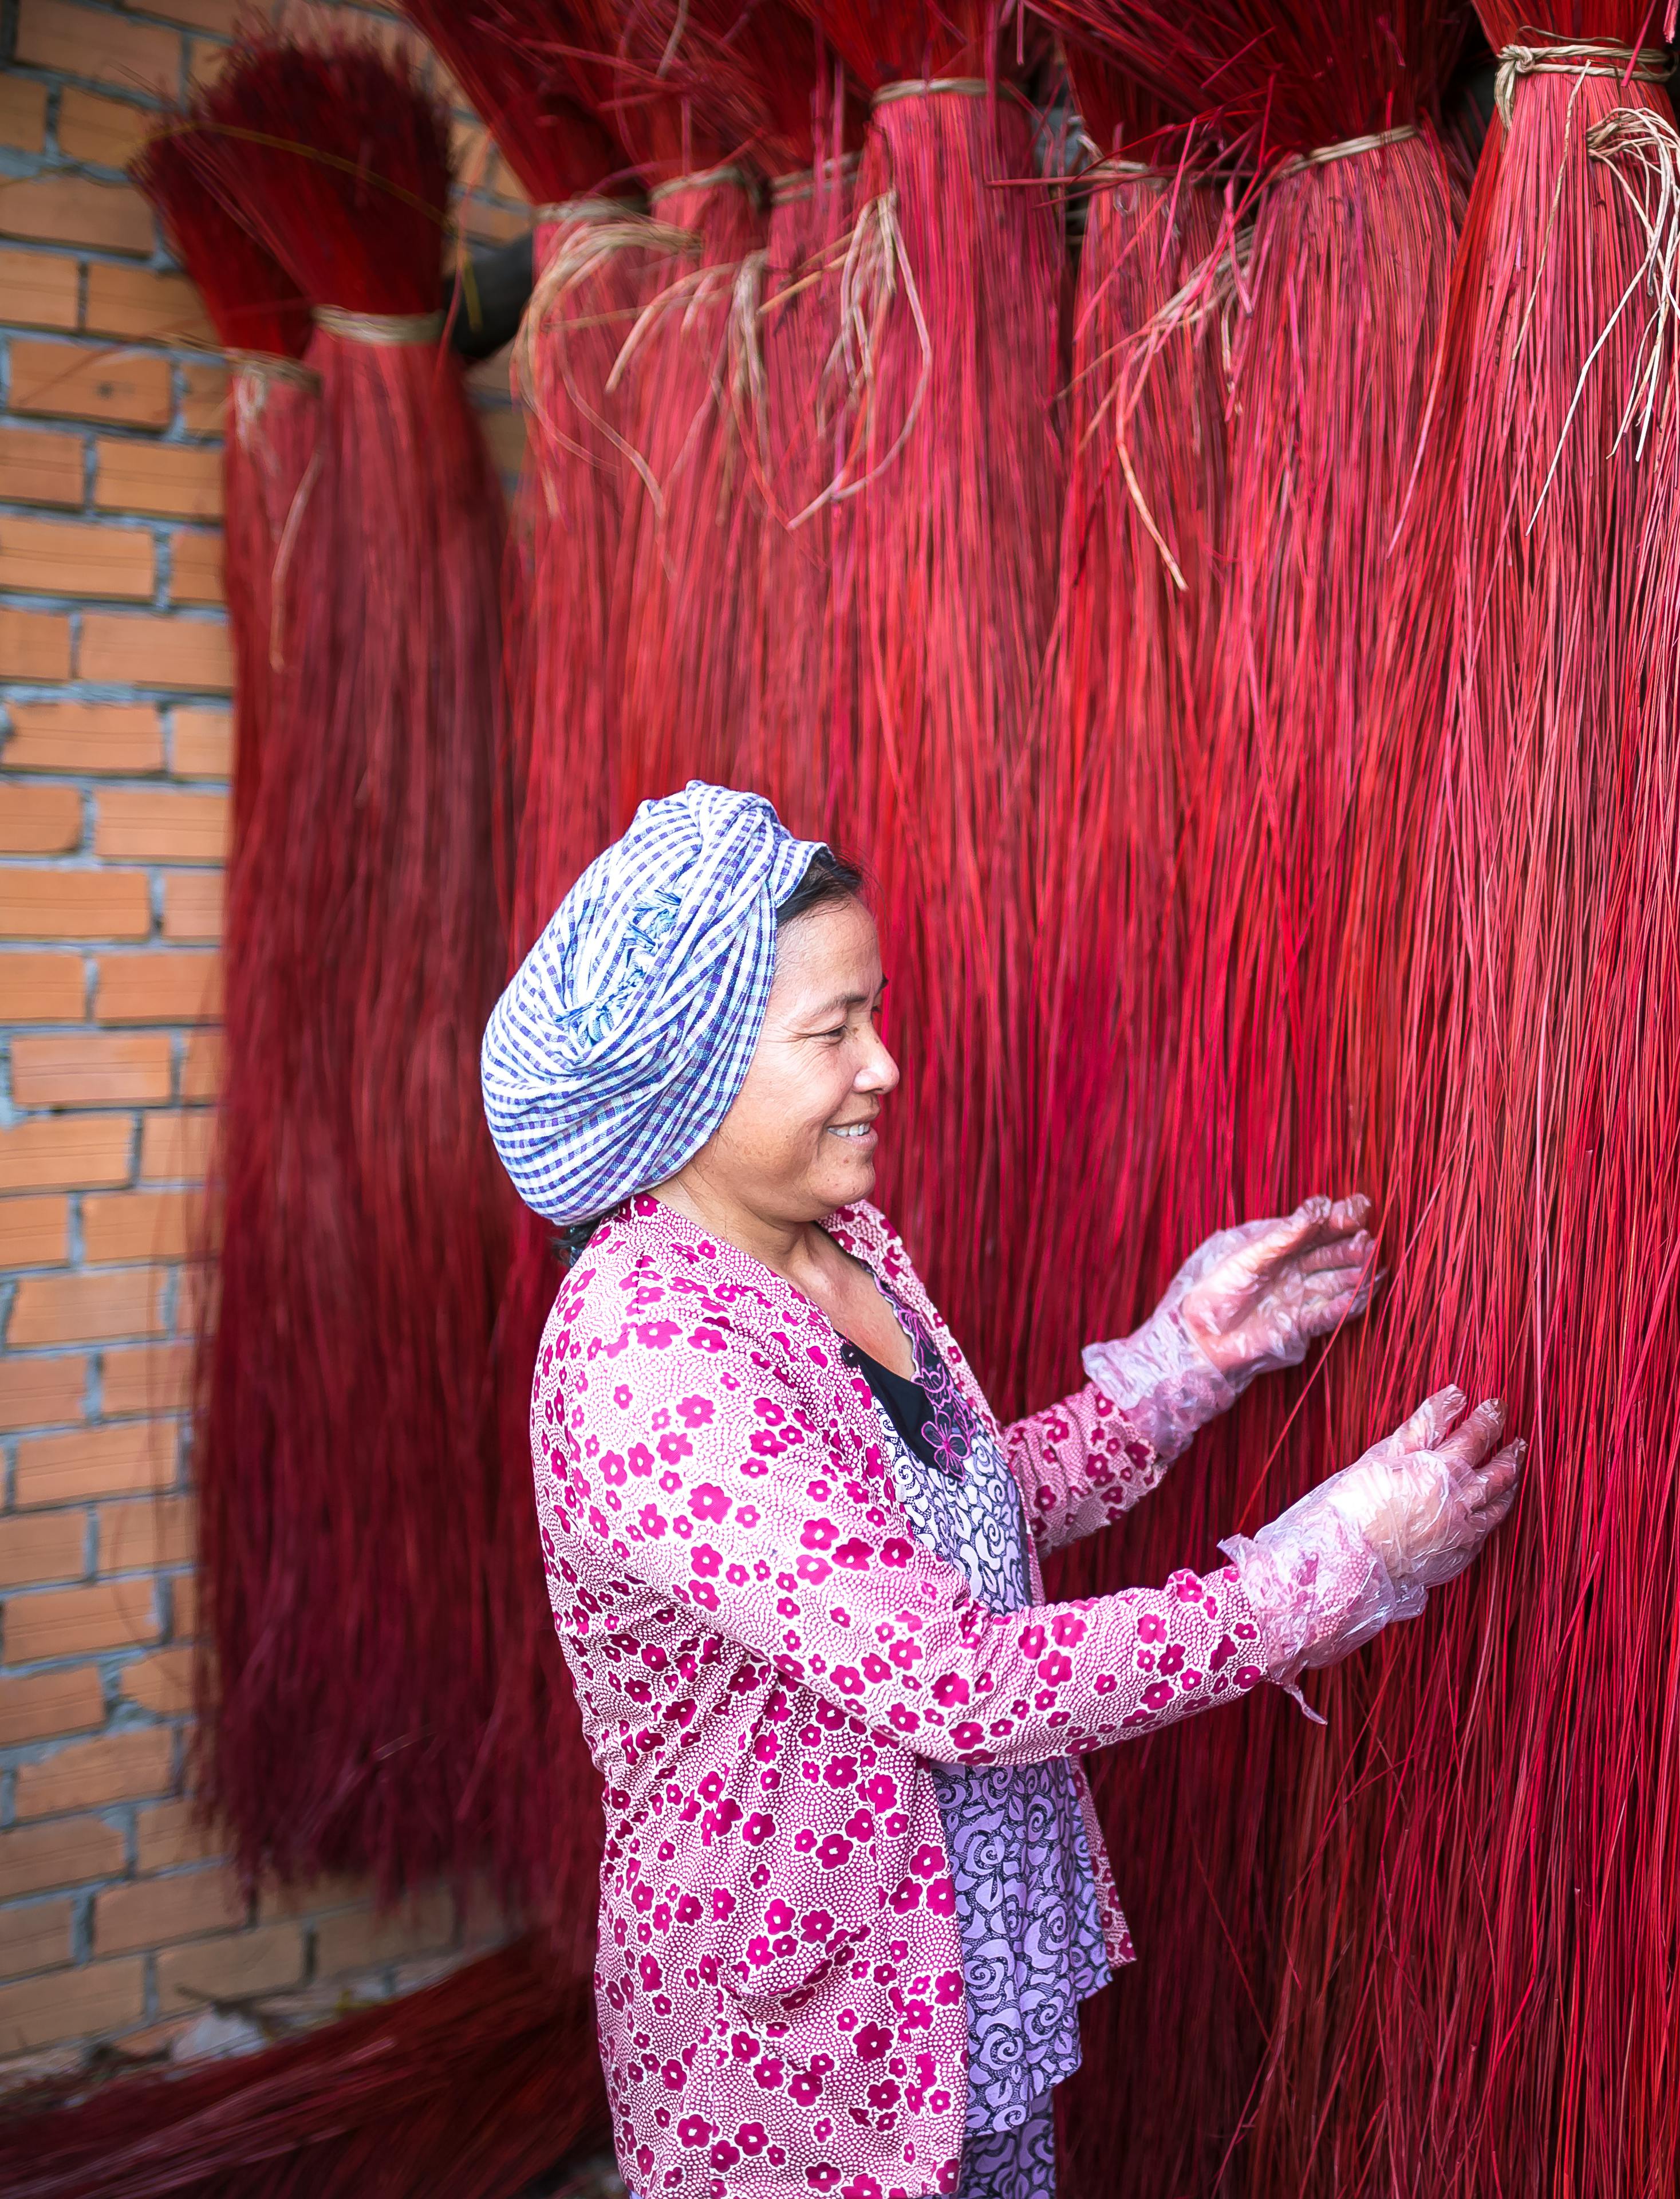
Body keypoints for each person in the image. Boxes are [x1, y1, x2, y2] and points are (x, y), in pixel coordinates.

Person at [482, 784, 1521, 2199]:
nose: (885, 1068)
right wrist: (1323, 1569)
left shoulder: (839, 1244)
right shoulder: (651, 1355)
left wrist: (1186, 1360)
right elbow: (957, 1676)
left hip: (958, 1971)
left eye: (875, 1012)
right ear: (691, 1069)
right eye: (830, 1033)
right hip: (808, 2048)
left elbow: (951, 1526)